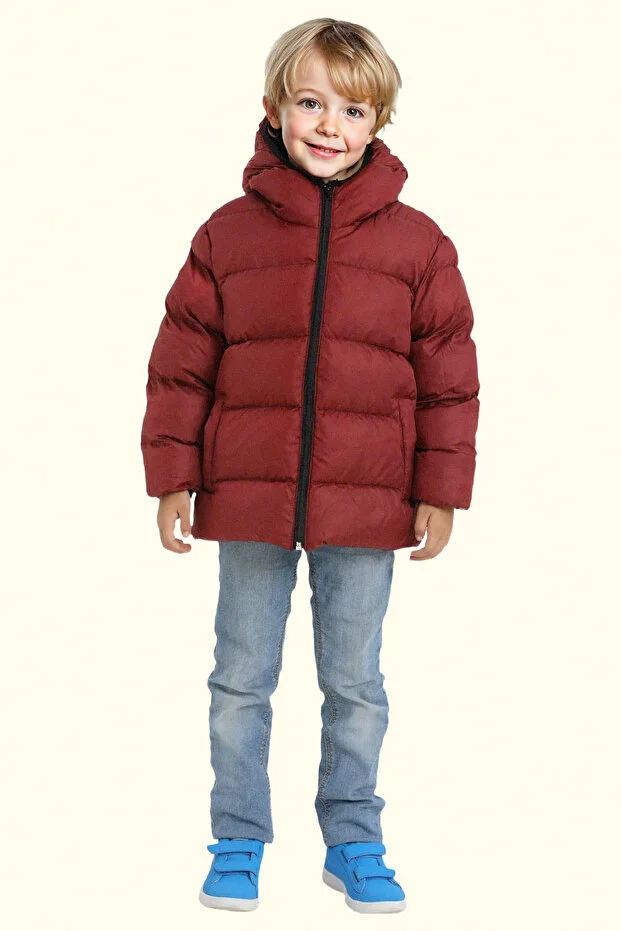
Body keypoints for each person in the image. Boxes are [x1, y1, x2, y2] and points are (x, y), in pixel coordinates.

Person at [140, 17, 480, 915]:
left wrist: (441, 492)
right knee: (239, 680)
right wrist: (173, 476)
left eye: (352, 109)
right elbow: (181, 362)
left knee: (355, 684)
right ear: (272, 108)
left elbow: (449, 376)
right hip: (248, 498)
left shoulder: (419, 245)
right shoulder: (226, 235)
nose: (329, 125)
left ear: (379, 123)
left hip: (369, 504)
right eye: (310, 102)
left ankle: (353, 836)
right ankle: (237, 836)